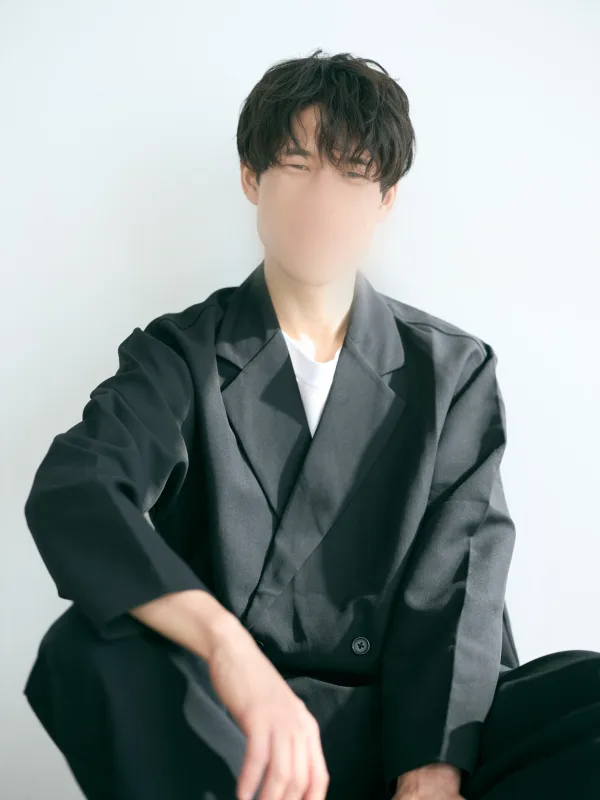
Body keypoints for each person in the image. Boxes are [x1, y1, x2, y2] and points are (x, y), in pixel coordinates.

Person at [23, 48, 600, 800]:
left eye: (353, 173)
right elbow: (79, 489)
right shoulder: (180, 355)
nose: (322, 200)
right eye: (297, 165)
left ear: (386, 198)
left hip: (408, 719)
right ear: (251, 177)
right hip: (237, 728)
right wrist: (229, 652)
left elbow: (458, 585)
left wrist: (431, 771)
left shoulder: (452, 370)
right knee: (84, 649)